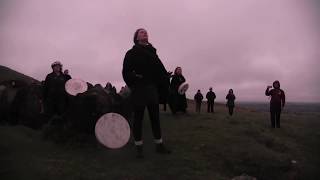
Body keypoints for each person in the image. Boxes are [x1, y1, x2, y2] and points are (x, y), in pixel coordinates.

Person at [122, 28, 171, 158]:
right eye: (141, 32)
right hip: (139, 90)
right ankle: (139, 148)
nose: (145, 33)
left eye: (146, 32)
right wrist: (135, 79)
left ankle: (159, 146)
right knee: (138, 119)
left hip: (152, 89)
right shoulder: (131, 53)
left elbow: (160, 69)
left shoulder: (153, 52)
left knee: (155, 118)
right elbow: (126, 72)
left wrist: (165, 76)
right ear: (136, 38)